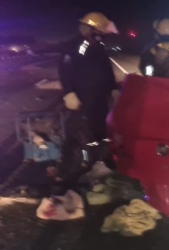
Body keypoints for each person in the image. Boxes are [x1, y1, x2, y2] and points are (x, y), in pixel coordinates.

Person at [50, 12, 120, 184]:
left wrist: (112, 89)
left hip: (98, 98)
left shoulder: (97, 46)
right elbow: (65, 67)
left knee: (100, 131)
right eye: (99, 30)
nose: (101, 34)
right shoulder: (78, 46)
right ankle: (66, 171)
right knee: (77, 133)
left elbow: (106, 70)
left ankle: (101, 161)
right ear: (91, 29)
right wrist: (68, 92)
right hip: (82, 98)